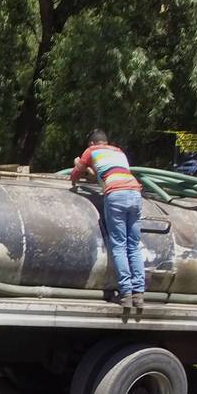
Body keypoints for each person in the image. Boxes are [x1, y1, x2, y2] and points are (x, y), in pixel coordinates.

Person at [70, 129, 146, 308]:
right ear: (106, 142)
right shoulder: (119, 151)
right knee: (133, 245)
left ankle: (126, 294)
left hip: (116, 194)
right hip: (135, 193)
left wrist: (75, 176)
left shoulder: (91, 151)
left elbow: (76, 174)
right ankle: (139, 295)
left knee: (119, 244)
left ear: (91, 144)